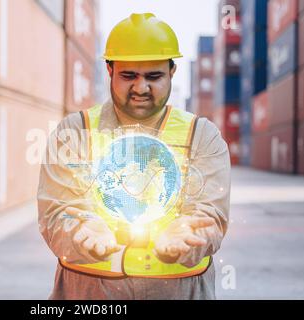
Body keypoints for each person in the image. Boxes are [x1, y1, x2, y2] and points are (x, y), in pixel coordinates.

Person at [37, 13, 230, 300]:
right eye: (129, 76)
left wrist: (189, 235)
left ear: (172, 73)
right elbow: (56, 213)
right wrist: (80, 229)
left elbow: (209, 215)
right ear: (110, 70)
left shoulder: (201, 135)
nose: (141, 88)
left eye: (154, 76)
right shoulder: (76, 130)